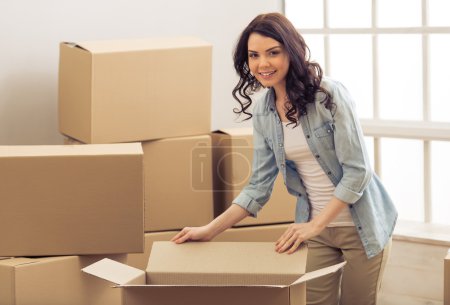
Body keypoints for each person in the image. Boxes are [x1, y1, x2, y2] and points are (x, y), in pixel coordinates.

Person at [171, 12, 397, 305]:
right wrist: (208, 231)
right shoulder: (263, 111)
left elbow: (357, 172)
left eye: (273, 53)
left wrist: (315, 225)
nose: (262, 64)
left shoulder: (329, 95)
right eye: (254, 55)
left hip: (362, 226)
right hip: (315, 232)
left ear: (291, 52)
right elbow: (258, 187)